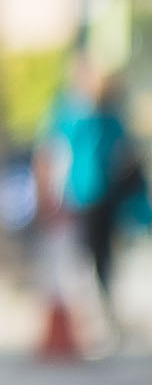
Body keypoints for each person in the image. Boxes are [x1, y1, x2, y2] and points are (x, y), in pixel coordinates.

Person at [37, 51, 144, 344]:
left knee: (103, 257)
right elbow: (50, 153)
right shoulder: (70, 114)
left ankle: (103, 316)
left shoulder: (109, 117)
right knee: (81, 259)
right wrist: (48, 195)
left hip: (105, 197)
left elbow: (125, 155)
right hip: (77, 196)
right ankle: (87, 320)